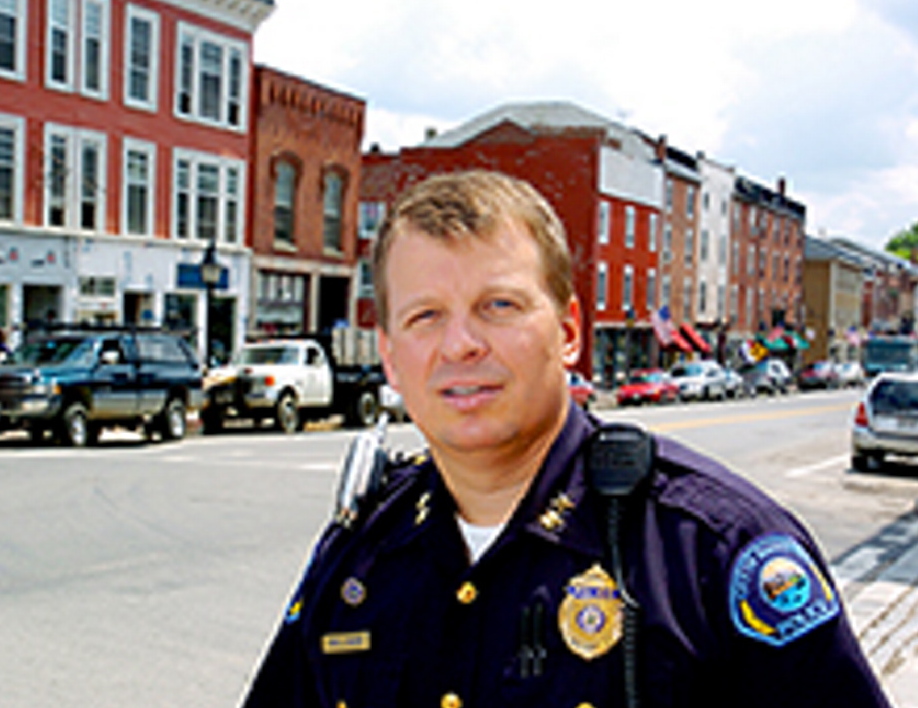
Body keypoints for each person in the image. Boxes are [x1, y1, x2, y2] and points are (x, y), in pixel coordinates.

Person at [241, 170, 891, 708]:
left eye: (500, 305)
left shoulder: (711, 552)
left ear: (570, 330)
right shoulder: (360, 556)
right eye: (425, 316)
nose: (460, 344)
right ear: (389, 355)